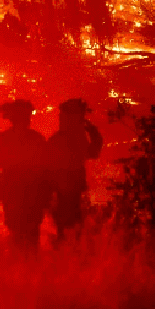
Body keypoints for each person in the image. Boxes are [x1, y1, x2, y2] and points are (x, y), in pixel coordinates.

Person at [0, 99, 51, 252]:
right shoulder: (36, 139)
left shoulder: (4, 140)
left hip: (24, 198)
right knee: (24, 240)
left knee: (21, 239)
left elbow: (46, 170)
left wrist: (2, 192)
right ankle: (24, 271)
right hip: (22, 198)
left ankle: (19, 271)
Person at [48, 98, 103, 239]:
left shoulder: (63, 139)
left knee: (67, 230)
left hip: (65, 191)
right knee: (74, 230)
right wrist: (91, 130)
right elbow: (93, 152)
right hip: (69, 191)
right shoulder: (73, 139)